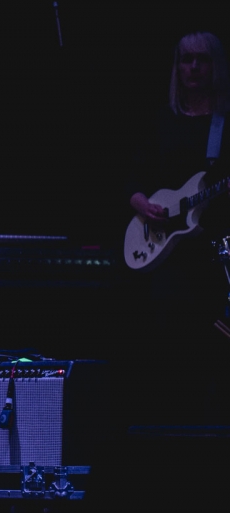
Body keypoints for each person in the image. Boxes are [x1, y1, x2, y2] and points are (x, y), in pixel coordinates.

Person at [125, 30, 230, 424]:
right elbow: (131, 177)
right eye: (186, 60)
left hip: (214, 257)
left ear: (215, 65)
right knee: (169, 355)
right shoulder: (163, 121)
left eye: (202, 60)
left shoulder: (223, 123)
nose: (193, 68)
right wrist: (141, 204)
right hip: (167, 259)